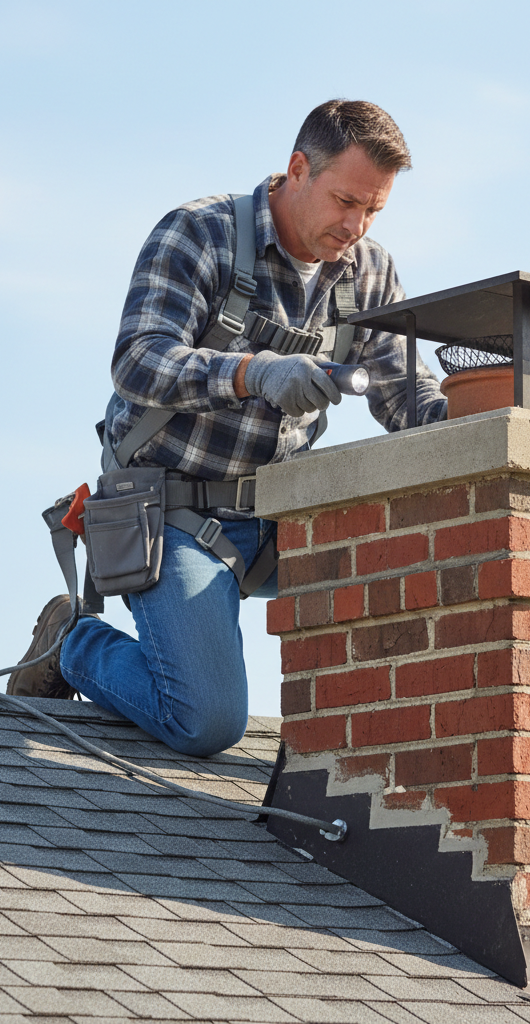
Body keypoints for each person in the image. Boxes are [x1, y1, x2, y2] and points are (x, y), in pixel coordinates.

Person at [9, 100, 446, 756]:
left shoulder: (369, 272)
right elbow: (138, 361)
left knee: (429, 566)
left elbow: (407, 394)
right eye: (345, 200)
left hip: (281, 518)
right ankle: (73, 639)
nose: (357, 225)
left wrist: (486, 415)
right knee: (206, 721)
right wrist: (254, 373)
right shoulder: (198, 233)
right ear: (298, 168)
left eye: (375, 209)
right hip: (171, 512)